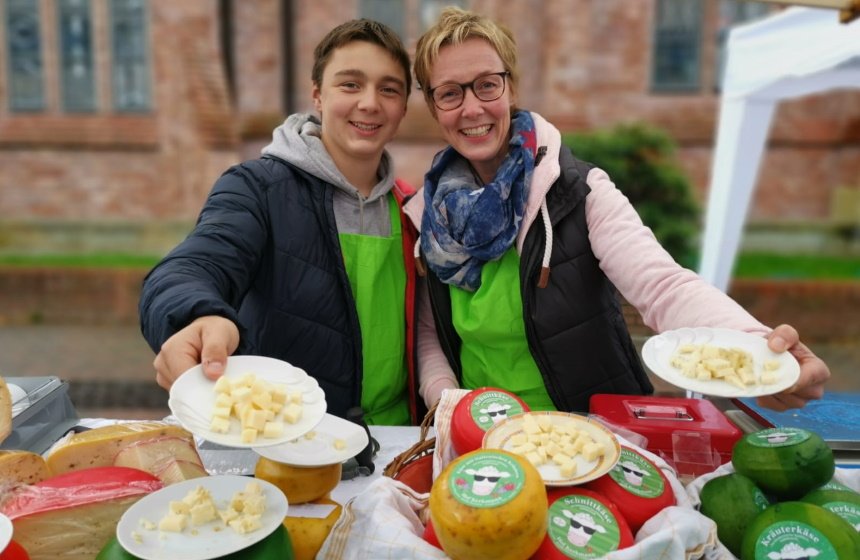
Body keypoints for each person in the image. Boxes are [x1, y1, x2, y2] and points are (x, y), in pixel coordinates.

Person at [404, 7, 830, 413]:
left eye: (487, 84)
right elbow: (429, 337)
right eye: (450, 93)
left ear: (511, 86)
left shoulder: (581, 191)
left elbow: (663, 287)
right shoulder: (429, 217)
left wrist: (759, 347)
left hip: (591, 432)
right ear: (434, 107)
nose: (472, 108)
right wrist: (448, 403)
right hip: (485, 433)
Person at [139, 19, 420, 425]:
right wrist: (196, 317)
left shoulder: (412, 208)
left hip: (396, 439)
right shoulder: (257, 189)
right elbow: (194, 264)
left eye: (388, 89)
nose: (370, 103)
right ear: (318, 97)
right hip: (286, 438)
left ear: (402, 109)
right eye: (350, 84)